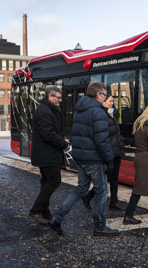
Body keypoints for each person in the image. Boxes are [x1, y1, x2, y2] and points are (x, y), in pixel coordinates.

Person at [48, 82, 118, 236]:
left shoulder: (80, 110)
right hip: (94, 159)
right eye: (105, 94)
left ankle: (57, 219)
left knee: (81, 189)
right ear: (99, 95)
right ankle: (100, 227)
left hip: (80, 156)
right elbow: (101, 140)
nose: (106, 97)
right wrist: (109, 159)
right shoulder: (98, 112)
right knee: (102, 191)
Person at [28, 85, 70, 224]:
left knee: (46, 182)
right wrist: (63, 144)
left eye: (60, 97)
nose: (60, 100)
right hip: (47, 154)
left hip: (46, 153)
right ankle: (35, 211)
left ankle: (45, 212)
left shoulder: (47, 110)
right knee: (54, 181)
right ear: (49, 97)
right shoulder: (45, 111)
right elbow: (49, 134)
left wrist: (61, 140)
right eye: (57, 97)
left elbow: (50, 132)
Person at [82, 99, 126, 211]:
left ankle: (113, 203)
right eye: (110, 101)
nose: (113, 103)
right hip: (109, 151)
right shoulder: (100, 116)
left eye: (113, 101)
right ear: (103, 102)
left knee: (114, 178)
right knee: (106, 178)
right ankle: (88, 196)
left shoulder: (112, 115)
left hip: (117, 150)